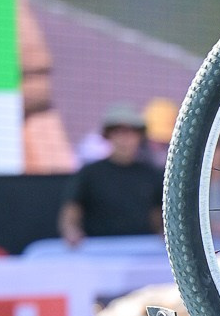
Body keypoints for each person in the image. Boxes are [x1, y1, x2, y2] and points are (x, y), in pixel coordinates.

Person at [59, 104, 163, 246]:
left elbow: (157, 215)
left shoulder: (151, 175)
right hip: (99, 253)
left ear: (139, 137)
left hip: (142, 253)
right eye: (118, 132)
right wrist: (71, 231)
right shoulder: (90, 173)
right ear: (108, 136)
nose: (124, 139)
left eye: (131, 133)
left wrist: (164, 234)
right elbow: (72, 208)